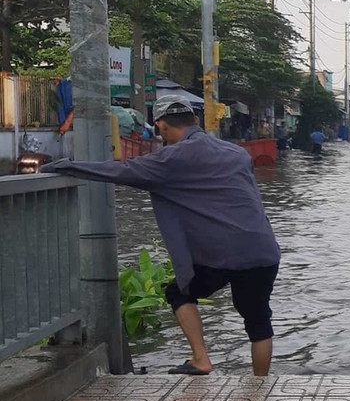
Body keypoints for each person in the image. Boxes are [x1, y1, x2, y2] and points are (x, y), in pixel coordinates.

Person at [42, 95, 281, 375]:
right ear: (195, 120)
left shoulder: (171, 159)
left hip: (222, 253)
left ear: (161, 126)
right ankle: (261, 385)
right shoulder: (237, 153)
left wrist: (66, 166)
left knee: (178, 292)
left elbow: (119, 171)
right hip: (263, 248)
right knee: (258, 322)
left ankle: (201, 359)